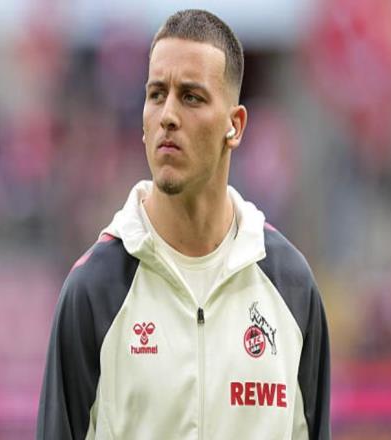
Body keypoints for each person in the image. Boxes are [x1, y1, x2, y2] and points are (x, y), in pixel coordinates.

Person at [37, 9, 331, 440]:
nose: (168, 115)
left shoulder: (291, 286)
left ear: (235, 126)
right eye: (157, 94)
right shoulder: (94, 290)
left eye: (191, 97)